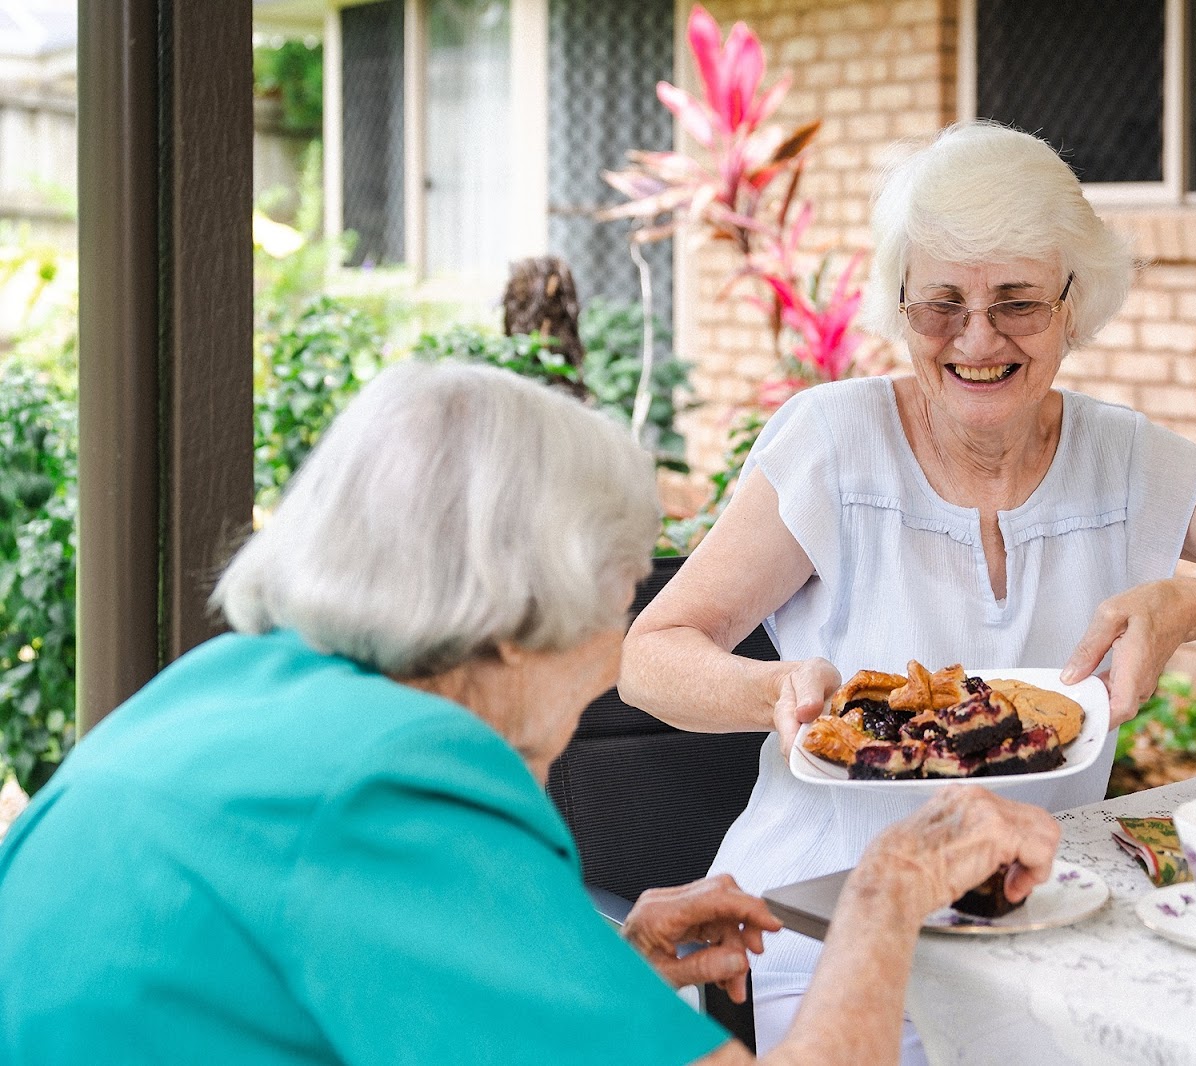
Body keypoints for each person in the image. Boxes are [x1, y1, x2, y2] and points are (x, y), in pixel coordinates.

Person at [618, 120, 1196, 1055]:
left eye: (1017, 301)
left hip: (1042, 936)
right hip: (819, 933)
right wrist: (772, 690)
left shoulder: (1124, 460)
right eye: (941, 304)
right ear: (900, 305)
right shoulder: (834, 444)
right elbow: (652, 656)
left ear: (1072, 305)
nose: (978, 339)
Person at [0, 360, 1062, 1065]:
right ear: (514, 618)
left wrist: (596, 963)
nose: (618, 646)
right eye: (617, 595)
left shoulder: (225, 692)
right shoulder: (397, 784)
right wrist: (886, 885)